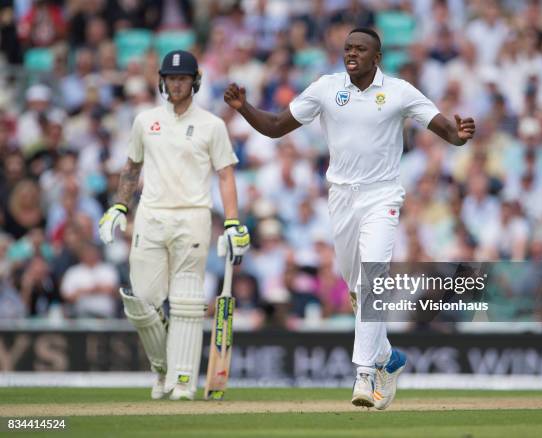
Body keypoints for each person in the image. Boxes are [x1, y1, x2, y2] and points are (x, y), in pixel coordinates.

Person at [224, 28, 475, 410]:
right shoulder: (326, 88)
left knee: (373, 278)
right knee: (358, 290)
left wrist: (457, 137)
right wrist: (243, 107)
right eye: (347, 48)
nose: (351, 54)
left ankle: (363, 374)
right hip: (341, 197)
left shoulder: (399, 91)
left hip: (383, 196)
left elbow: (441, 126)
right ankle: (388, 359)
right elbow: (275, 127)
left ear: (377, 57)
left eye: (360, 49)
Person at [99, 50, 250, 401]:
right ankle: (162, 368)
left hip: (193, 217)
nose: (176, 83)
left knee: (185, 301)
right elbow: (131, 166)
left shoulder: (213, 125)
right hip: (150, 216)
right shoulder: (145, 121)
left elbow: (225, 174)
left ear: (195, 80)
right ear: (162, 81)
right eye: (171, 77)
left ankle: (182, 380)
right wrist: (119, 206)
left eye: (183, 78)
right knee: (143, 302)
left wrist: (231, 223)